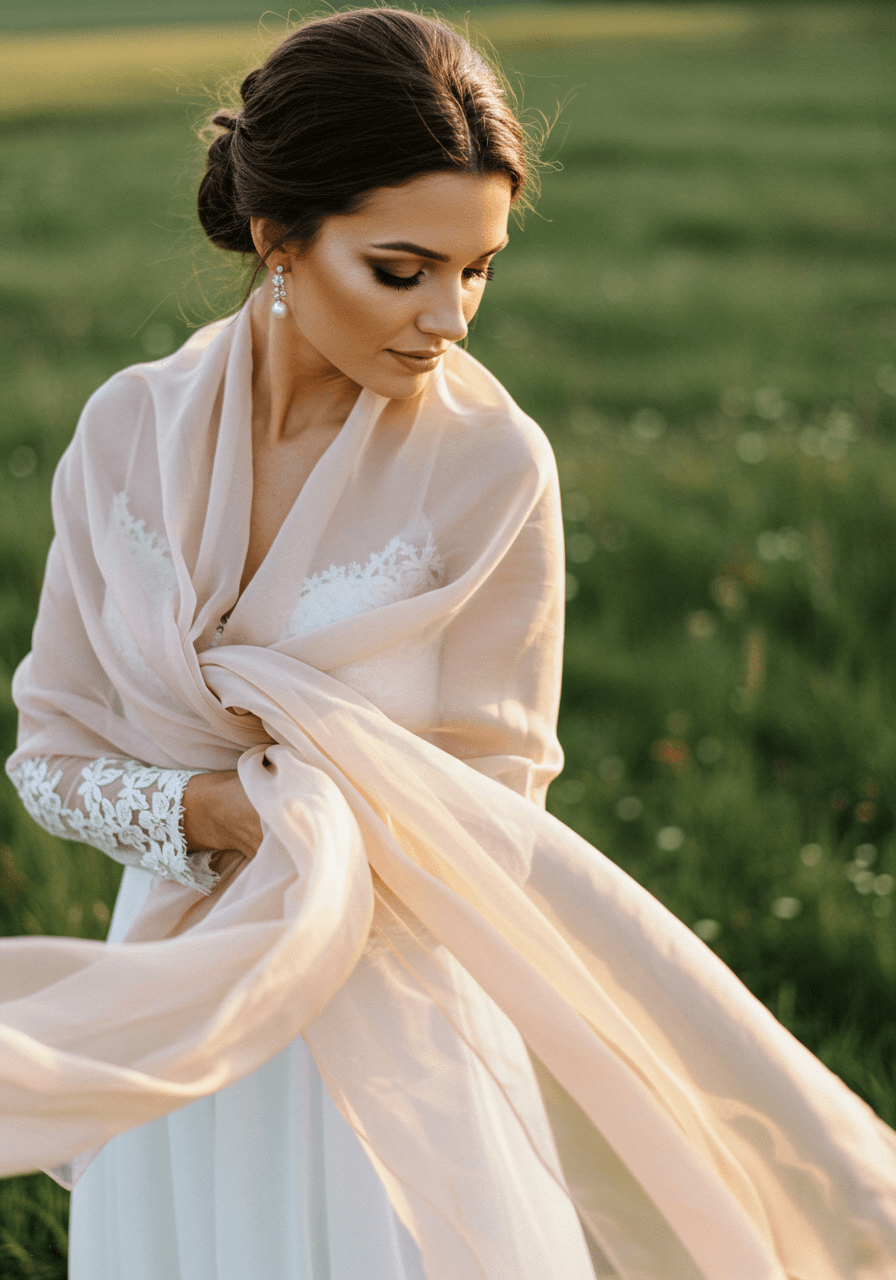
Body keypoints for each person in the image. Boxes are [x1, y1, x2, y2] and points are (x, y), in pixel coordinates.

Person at [2, 9, 896, 1280]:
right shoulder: (125, 431)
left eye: (479, 269)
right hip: (178, 1005)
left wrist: (317, 842)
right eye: (404, 267)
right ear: (277, 241)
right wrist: (214, 812)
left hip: (387, 1014)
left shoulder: (489, 466)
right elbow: (48, 755)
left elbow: (495, 807)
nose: (451, 316)